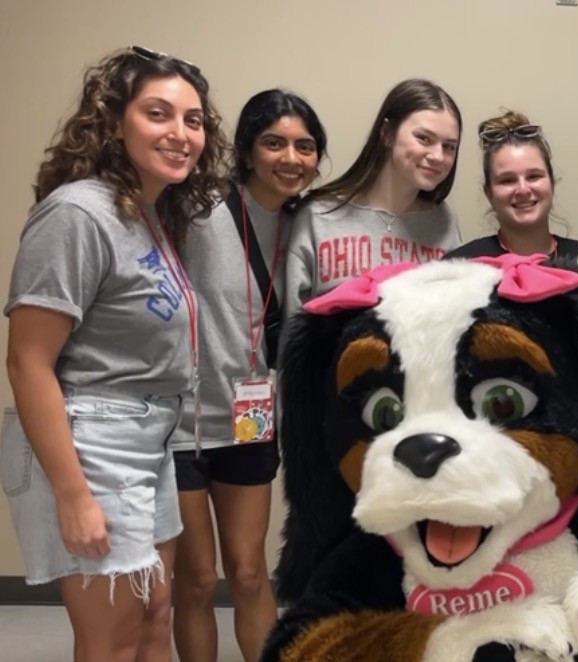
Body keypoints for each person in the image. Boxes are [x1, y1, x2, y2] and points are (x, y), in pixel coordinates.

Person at [2, 46, 228, 662]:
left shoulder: (147, 213)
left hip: (146, 440)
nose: (181, 134)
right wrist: (74, 493)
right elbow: (27, 361)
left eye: (193, 119)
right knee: (114, 638)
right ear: (113, 120)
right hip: (92, 442)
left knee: (156, 619)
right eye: (159, 114)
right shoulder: (78, 213)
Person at [170, 89, 327, 662]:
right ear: (246, 150)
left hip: (251, 421)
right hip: (181, 422)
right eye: (275, 143)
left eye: (305, 146)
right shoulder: (198, 206)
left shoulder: (309, 223)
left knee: (250, 572)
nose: (291, 157)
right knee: (194, 580)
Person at [284, 78, 462, 314]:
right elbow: (294, 328)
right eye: (424, 138)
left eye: (449, 146)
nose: (438, 156)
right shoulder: (318, 216)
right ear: (387, 133)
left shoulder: (443, 221)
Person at [445, 110, 578, 260]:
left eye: (533, 176)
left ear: (552, 184)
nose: (523, 190)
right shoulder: (461, 266)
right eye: (507, 180)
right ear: (488, 193)